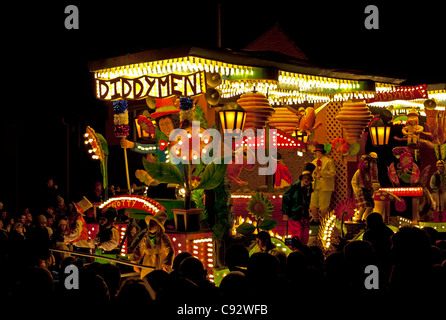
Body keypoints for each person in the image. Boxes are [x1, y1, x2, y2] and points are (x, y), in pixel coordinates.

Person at [130, 210, 175, 279]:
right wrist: (135, 262)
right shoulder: (146, 236)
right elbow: (139, 248)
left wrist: (166, 265)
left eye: (152, 224)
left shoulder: (163, 237)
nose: (149, 226)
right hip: (147, 267)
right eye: (149, 224)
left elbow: (170, 250)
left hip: (159, 267)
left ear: (158, 226)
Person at [282, 162, 316, 244]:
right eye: (305, 178)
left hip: (304, 214)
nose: (307, 180)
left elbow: (307, 201)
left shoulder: (309, 187)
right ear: (302, 178)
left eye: (308, 178)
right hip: (294, 213)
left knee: (305, 232)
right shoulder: (295, 186)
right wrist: (285, 213)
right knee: (298, 231)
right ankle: (292, 247)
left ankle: (302, 247)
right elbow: (285, 197)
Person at [310, 144, 336, 223]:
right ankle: (314, 219)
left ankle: (323, 222)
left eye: (319, 152)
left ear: (322, 153)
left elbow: (333, 172)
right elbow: (312, 172)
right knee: (313, 203)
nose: (317, 154)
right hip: (315, 185)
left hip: (325, 186)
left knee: (324, 204)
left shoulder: (328, 161)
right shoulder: (314, 162)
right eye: (316, 153)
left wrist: (322, 174)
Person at [351, 153, 380, 221]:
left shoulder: (369, 172)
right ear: (362, 163)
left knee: (370, 206)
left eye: (368, 163)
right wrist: (357, 190)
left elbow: (370, 182)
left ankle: (364, 219)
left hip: (367, 190)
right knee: (364, 206)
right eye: (365, 163)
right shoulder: (358, 172)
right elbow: (353, 182)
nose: (367, 165)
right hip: (361, 190)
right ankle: (359, 219)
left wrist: (372, 188)